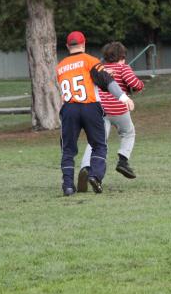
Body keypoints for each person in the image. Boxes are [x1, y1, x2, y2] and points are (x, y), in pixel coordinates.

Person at [55, 31, 134, 196]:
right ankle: (95, 176)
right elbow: (107, 81)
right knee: (99, 145)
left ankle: (68, 186)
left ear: (68, 46)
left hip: (69, 108)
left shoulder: (60, 66)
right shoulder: (90, 60)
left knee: (68, 150)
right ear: (84, 44)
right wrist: (123, 97)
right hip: (90, 107)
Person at [79, 41, 144, 189]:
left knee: (96, 141)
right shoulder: (123, 68)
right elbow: (135, 84)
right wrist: (140, 85)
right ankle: (123, 161)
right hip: (119, 109)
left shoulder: (99, 68)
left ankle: (86, 167)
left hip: (101, 110)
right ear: (122, 56)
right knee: (128, 133)